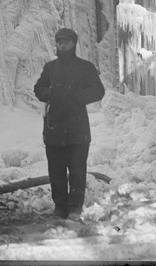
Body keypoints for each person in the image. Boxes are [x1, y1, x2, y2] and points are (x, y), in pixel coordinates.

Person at [33, 27, 105, 221]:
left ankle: (75, 208)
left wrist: (76, 98)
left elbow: (98, 90)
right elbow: (38, 88)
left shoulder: (85, 67)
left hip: (77, 128)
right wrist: (50, 94)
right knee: (55, 171)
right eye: (59, 41)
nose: (61, 44)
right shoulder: (50, 68)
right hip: (54, 127)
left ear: (74, 43)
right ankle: (60, 207)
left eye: (65, 41)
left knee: (77, 170)